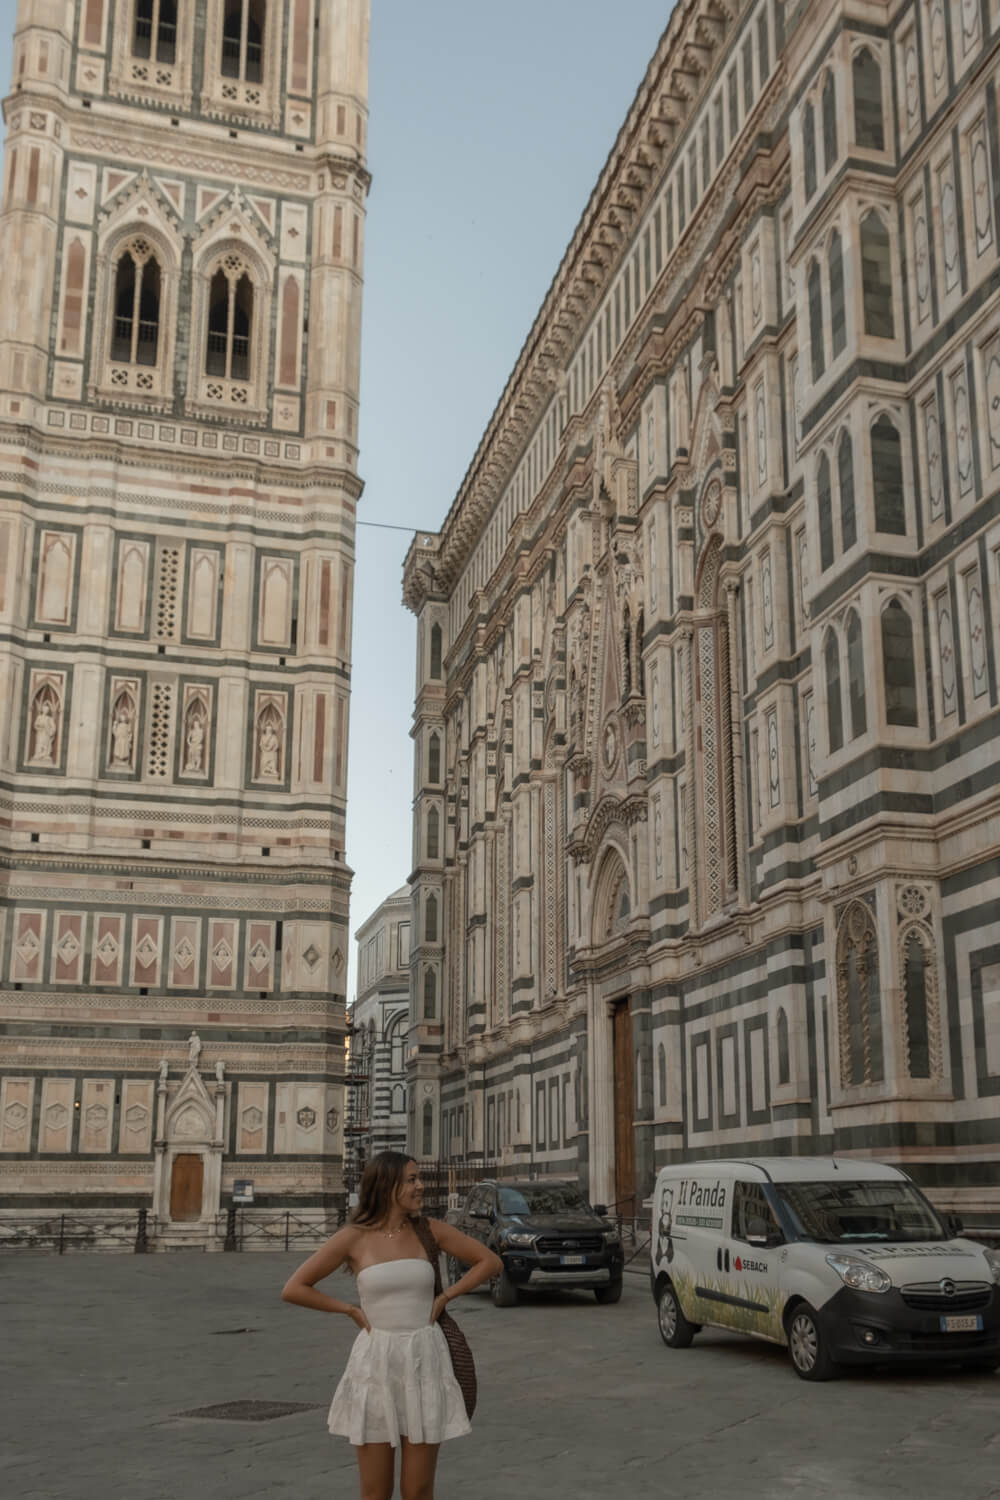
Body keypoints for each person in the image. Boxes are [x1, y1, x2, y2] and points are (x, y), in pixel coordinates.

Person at [281, 1152, 501, 1500]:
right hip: (376, 1363)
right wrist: (349, 1310)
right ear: (387, 1185)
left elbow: (489, 1261)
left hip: (424, 1360)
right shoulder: (354, 1237)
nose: (421, 1186)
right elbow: (294, 1288)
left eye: (419, 1178)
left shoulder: (430, 1230)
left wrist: (446, 1297)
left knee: (417, 1491)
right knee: (375, 1492)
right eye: (412, 1179)